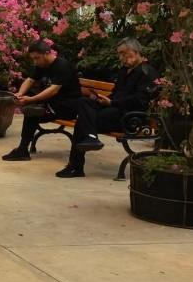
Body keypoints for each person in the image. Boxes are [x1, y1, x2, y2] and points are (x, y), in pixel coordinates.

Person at [57, 38, 159, 178]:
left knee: (83, 122)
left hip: (130, 117)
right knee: (83, 102)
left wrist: (112, 103)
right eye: (120, 54)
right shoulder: (124, 71)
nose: (121, 57)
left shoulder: (148, 72)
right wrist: (104, 99)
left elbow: (140, 101)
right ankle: (90, 140)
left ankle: (76, 165)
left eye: (124, 53)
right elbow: (116, 93)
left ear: (136, 51)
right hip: (114, 110)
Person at [3, 39, 82, 163]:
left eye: (37, 58)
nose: (35, 61)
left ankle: (22, 150)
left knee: (32, 111)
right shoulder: (41, 65)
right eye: (33, 59)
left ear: (47, 53)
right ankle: (22, 150)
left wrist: (31, 99)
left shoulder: (62, 66)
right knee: (32, 111)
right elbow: (30, 80)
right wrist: (20, 94)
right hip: (53, 104)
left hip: (68, 106)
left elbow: (54, 90)